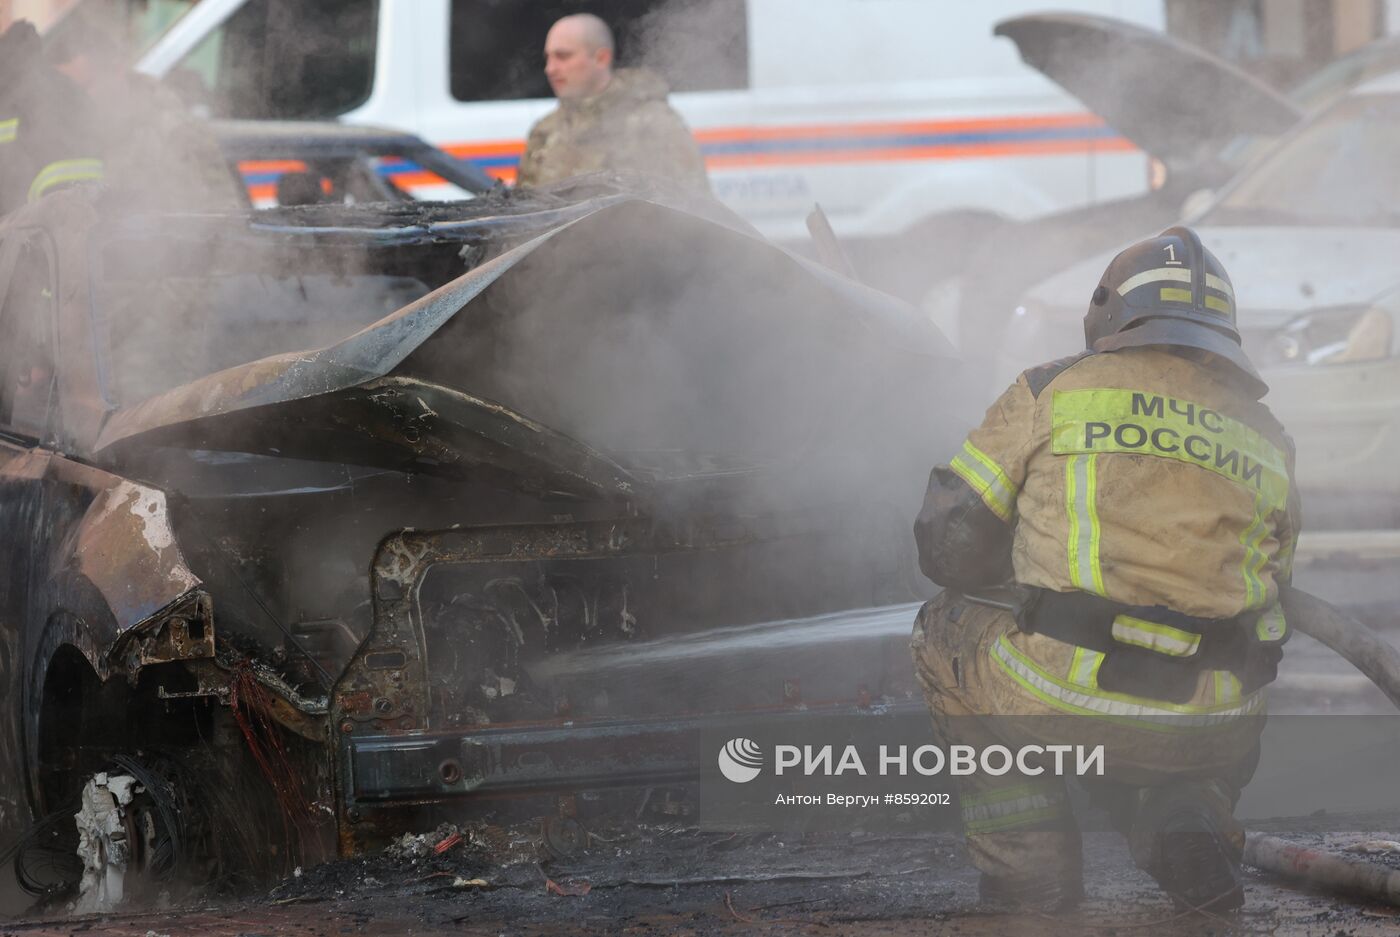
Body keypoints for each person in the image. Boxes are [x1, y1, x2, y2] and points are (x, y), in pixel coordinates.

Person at [910, 226, 1300, 913]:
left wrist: (1029, 559)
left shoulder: (1050, 388)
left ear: (1108, 311)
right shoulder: (1269, 435)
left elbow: (949, 546)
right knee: (1178, 693)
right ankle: (1186, 815)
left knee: (943, 629)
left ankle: (1030, 868)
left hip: (1066, 700)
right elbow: (1276, 594)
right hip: (1217, 719)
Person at [516, 13, 709, 193]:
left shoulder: (653, 124)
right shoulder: (545, 132)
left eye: (563, 56)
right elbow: (524, 214)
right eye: (547, 58)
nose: (550, 69)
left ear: (601, 58)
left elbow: (696, 210)